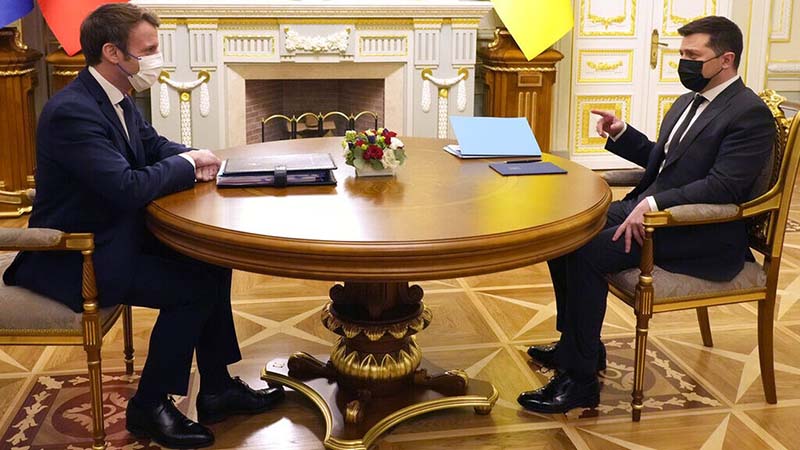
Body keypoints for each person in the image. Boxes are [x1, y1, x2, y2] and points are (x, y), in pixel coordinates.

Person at [2, 4, 284, 448]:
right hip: (75, 255)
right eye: (149, 50)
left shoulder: (115, 96)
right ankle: (149, 406)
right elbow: (127, 187)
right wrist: (188, 166)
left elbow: (153, 146)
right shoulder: (72, 112)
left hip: (116, 236)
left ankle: (216, 389)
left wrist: (196, 155)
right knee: (191, 290)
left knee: (212, 259)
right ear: (112, 52)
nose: (157, 58)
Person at [517, 16, 776, 414]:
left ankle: (580, 380)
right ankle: (579, 346)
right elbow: (668, 161)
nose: (684, 63)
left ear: (726, 59)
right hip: (654, 210)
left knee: (587, 252)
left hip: (701, 231)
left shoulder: (748, 113)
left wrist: (655, 205)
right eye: (682, 54)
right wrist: (622, 134)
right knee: (564, 232)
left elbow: (724, 187)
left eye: (693, 56)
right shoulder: (689, 100)